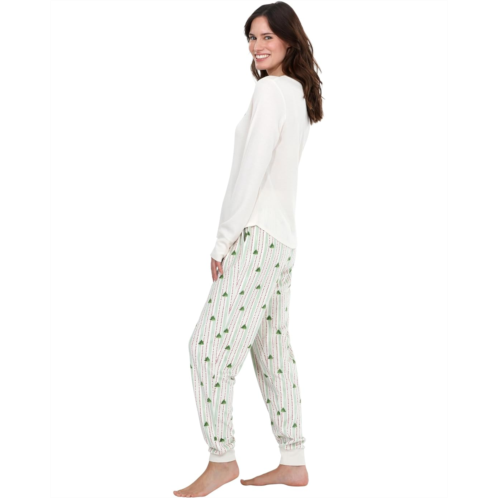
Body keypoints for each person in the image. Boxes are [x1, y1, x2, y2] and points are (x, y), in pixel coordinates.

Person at [174, 2, 323, 496]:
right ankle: (293, 460)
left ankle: (221, 459)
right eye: (252, 38)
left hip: (256, 238)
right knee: (273, 350)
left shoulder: (269, 92)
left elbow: (251, 173)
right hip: (283, 240)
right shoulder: (297, 93)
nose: (258, 46)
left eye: (267, 37)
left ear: (289, 40)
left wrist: (223, 240)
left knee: (206, 349)